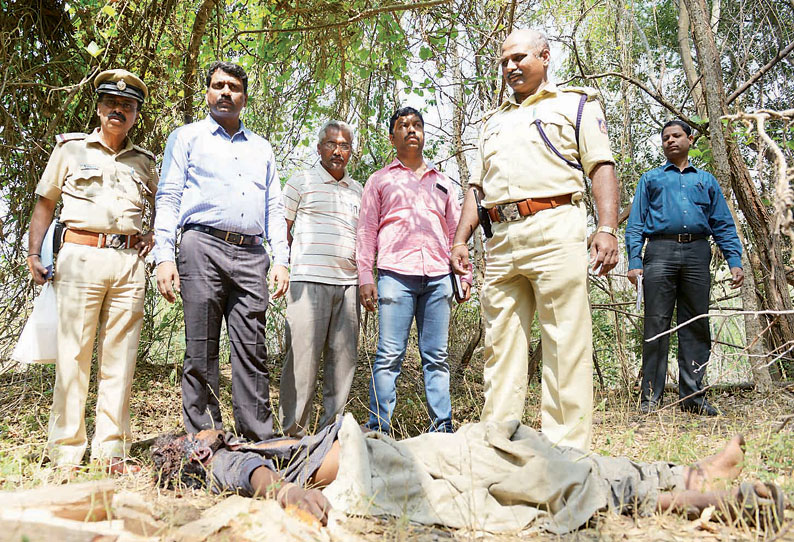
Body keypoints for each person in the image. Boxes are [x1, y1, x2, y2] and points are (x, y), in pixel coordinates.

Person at [151, 420, 783, 533]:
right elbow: (263, 480)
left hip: (397, 455)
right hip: (389, 472)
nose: (201, 430)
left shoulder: (245, 438)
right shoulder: (223, 460)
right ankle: (688, 496)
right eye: (189, 434)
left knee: (532, 451)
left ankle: (677, 473)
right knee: (530, 467)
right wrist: (288, 491)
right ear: (189, 452)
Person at [451, 29, 619, 451]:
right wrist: (460, 240)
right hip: (501, 240)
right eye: (504, 61)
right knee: (500, 345)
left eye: (519, 57)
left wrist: (607, 228)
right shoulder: (493, 121)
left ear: (545, 56)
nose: (510, 67)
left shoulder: (575, 104)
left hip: (555, 228)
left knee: (565, 341)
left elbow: (601, 166)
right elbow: (476, 187)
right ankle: (499, 445)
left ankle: (566, 453)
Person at [26, 69, 157, 474]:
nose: (118, 110)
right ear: (99, 108)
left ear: (136, 114)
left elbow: (158, 214)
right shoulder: (69, 150)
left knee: (121, 359)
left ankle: (111, 451)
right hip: (79, 258)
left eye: (127, 106)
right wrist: (34, 253)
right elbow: (45, 204)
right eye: (111, 103)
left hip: (128, 265)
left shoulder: (146, 162)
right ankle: (66, 451)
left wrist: (152, 238)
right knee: (74, 356)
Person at [154, 61, 289, 442]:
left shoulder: (261, 148)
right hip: (201, 247)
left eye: (233, 87)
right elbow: (168, 196)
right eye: (218, 86)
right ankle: (207, 440)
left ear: (244, 97)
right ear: (207, 93)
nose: (225, 92)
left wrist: (281, 259)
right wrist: (164, 255)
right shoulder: (187, 138)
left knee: (252, 351)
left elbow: (274, 208)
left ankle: (257, 440)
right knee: (200, 349)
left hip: (251, 254)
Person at [356, 107, 471, 434]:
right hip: (395, 277)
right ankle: (378, 428)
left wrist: (464, 276)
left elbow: (455, 233)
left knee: (436, 356)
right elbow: (366, 231)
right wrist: (366, 277)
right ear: (392, 138)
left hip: (438, 279)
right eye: (403, 126)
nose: (411, 130)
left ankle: (442, 427)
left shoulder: (443, 182)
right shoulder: (380, 180)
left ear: (423, 133)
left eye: (417, 125)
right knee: (389, 356)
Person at [625, 120, 744, 416]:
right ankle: (651, 397)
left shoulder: (705, 181)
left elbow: (723, 224)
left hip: (697, 252)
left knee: (696, 324)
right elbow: (636, 223)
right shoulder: (651, 179)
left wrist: (735, 260)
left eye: (676, 136)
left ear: (690, 139)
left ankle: (692, 397)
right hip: (660, 251)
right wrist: (634, 261)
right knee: (656, 323)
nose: (670, 141)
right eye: (665, 138)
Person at [279, 120, 363, 436]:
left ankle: (331, 438)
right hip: (307, 282)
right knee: (301, 364)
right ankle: (292, 437)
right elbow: (281, 231)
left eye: (344, 145)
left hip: (348, 285)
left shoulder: (359, 190)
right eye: (331, 144)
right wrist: (282, 268)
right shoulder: (300, 182)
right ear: (319, 148)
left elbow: (365, 237)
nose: (337, 151)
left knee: (342, 366)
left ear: (350, 152)